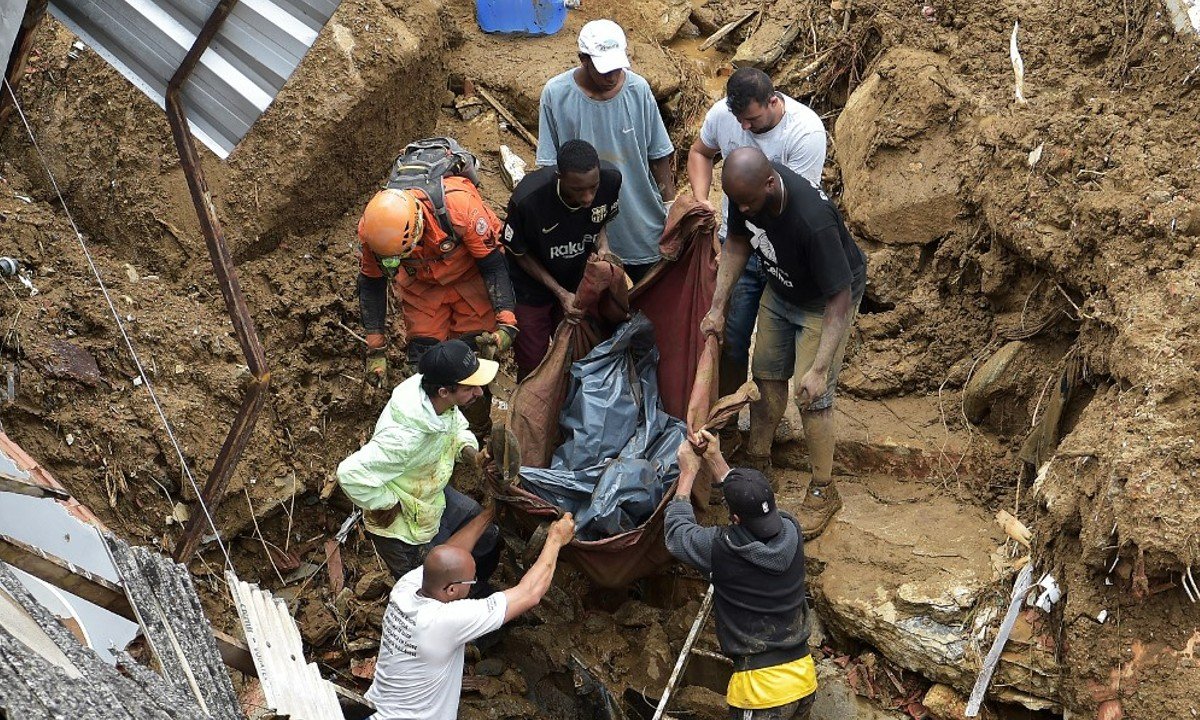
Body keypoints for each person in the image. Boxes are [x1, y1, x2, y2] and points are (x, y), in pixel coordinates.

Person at [699, 147, 866, 539]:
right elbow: (738, 245)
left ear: (771, 184)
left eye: (750, 203)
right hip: (781, 288)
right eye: (738, 204)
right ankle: (759, 461)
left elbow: (839, 298)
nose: (744, 210)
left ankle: (824, 489)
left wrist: (821, 368)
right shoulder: (745, 193)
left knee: (811, 396)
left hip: (824, 301)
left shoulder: (812, 220)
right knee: (766, 376)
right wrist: (718, 307)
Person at [688, 68, 827, 439]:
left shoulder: (805, 133)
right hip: (740, 244)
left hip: (785, 252)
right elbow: (701, 152)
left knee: (771, 355)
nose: (744, 128)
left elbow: (792, 211)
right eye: (739, 120)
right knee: (731, 336)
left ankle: (765, 429)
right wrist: (704, 201)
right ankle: (727, 421)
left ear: (774, 101)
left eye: (752, 119)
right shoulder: (724, 115)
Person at [366, 512, 577, 720]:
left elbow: (450, 553)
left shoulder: (406, 588)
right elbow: (529, 593)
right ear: (451, 590)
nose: (474, 582)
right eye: (472, 580)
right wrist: (555, 539)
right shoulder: (446, 621)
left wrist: (491, 511)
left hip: (377, 712)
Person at [666, 432, 817, 719]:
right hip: (802, 680)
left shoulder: (723, 549)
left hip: (761, 694)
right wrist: (715, 458)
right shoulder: (792, 529)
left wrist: (687, 474)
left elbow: (676, 534)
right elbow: (751, 503)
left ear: (735, 519)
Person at [356, 172, 517, 434]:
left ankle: (476, 430)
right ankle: (432, 434)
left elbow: (494, 266)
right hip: (423, 288)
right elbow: (371, 284)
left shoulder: (461, 210)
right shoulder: (373, 233)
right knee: (424, 365)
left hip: (470, 280)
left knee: (468, 363)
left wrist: (507, 324)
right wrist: (376, 350)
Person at [336, 339, 502, 586]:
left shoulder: (436, 397)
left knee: (487, 536)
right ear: (445, 391)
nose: (479, 392)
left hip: (430, 492)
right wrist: (389, 502)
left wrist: (472, 455)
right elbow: (349, 473)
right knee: (431, 586)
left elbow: (454, 426)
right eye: (470, 388)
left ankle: (476, 588)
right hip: (403, 525)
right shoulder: (404, 439)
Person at [536, 19, 676, 283]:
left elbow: (658, 154)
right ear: (583, 60)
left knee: (651, 301)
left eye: (616, 68)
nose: (611, 76)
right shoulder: (556, 95)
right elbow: (548, 167)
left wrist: (669, 206)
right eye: (603, 70)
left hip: (640, 219)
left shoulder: (638, 90)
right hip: (582, 223)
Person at [502, 139, 622, 378]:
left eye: (593, 188)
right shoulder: (529, 199)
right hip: (530, 286)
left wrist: (603, 247)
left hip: (575, 277)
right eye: (578, 190)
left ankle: (571, 406)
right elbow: (520, 253)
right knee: (532, 357)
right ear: (559, 177)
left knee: (579, 348)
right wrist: (559, 292)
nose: (588, 198)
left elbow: (600, 222)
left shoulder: (611, 180)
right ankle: (533, 408)